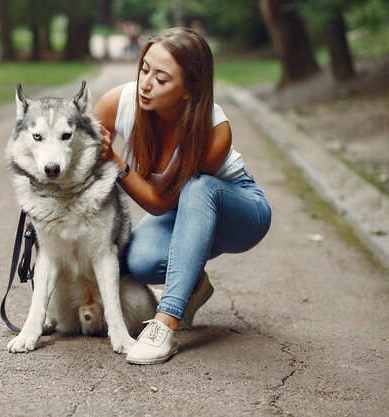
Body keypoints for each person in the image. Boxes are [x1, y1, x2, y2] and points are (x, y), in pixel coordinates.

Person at [94, 27, 272, 365]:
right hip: (182, 213)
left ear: (191, 89)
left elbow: (159, 203)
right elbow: (75, 156)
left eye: (162, 79)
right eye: (144, 69)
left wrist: (116, 163)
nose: (145, 84)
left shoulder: (214, 130)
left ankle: (166, 323)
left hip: (241, 212)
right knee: (140, 261)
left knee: (199, 185)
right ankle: (192, 283)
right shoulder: (119, 103)